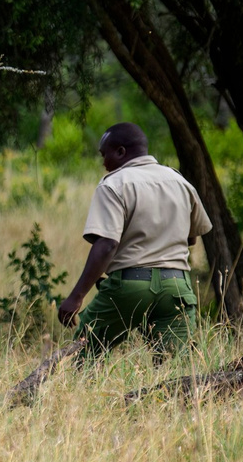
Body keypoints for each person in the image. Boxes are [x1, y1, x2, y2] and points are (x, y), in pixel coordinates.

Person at [56, 122, 212, 358]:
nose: (103, 162)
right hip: (177, 287)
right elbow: (191, 239)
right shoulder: (180, 182)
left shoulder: (114, 184)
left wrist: (76, 297)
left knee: (85, 353)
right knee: (174, 366)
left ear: (120, 152)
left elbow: (107, 244)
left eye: (104, 154)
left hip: (130, 285)